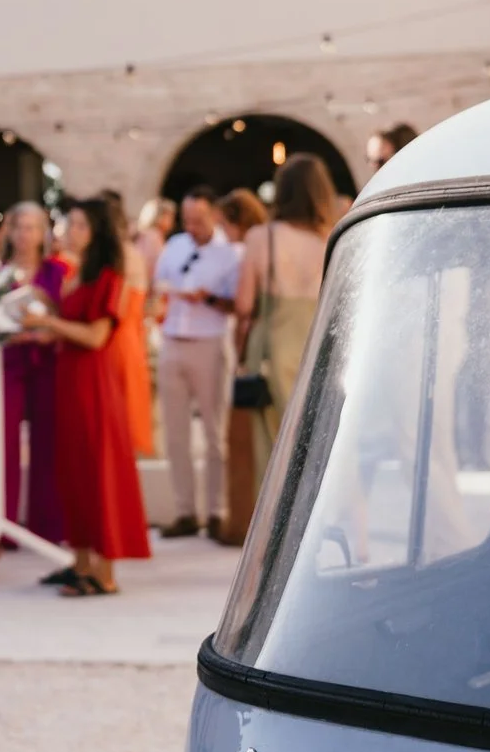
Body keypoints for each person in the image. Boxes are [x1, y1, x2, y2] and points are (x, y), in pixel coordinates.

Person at [20, 196, 150, 595]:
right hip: (71, 379)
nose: (70, 232)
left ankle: (103, 571)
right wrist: (45, 318)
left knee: (97, 470)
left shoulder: (110, 277)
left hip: (95, 382)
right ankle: (79, 561)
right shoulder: (75, 275)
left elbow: (95, 336)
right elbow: (71, 324)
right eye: (69, 224)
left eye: (79, 225)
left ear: (97, 233)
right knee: (72, 469)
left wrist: (49, 321)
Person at [234, 155, 345, 477]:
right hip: (320, 350)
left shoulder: (261, 237)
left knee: (273, 447)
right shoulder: (333, 239)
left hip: (273, 351)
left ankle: (277, 524)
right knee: (320, 443)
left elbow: (243, 305)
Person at [0, 201, 69, 543]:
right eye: (19, 227)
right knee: (0, 441)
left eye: (31, 227)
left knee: (49, 443)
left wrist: (44, 330)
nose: (25, 235)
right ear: (9, 232)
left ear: (43, 232)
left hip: (47, 361)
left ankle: (49, 525)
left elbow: (66, 319)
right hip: (7, 362)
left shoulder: (58, 271)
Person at [153, 186, 241, 539]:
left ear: (214, 216)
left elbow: (237, 303)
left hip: (209, 340)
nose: (191, 226)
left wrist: (210, 298)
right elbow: (158, 283)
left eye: (198, 220)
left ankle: (218, 509)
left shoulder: (231, 253)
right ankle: (184, 509)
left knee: (214, 432)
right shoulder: (175, 246)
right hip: (173, 338)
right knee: (174, 433)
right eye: (187, 219)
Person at [99, 191, 158, 462]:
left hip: (118, 337)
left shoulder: (120, 255)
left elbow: (116, 307)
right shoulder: (126, 252)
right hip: (126, 335)